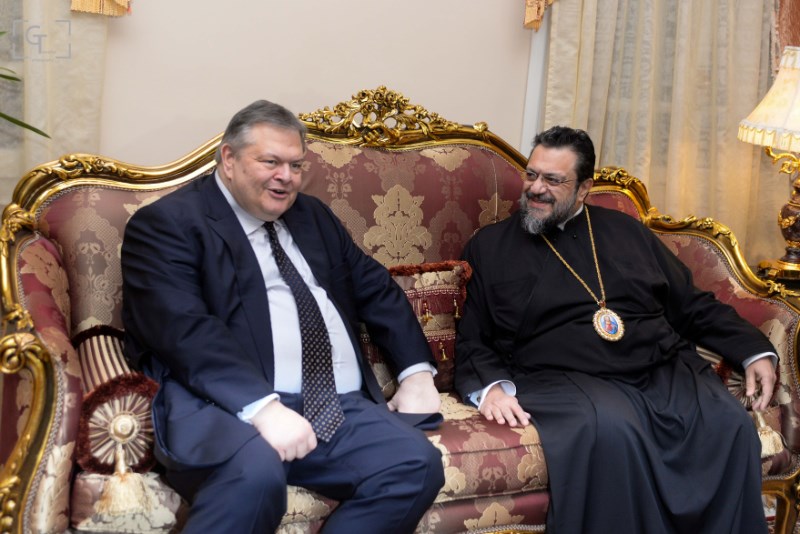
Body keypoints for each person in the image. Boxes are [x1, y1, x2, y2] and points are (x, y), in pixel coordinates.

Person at [121, 100, 445, 533]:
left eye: (296, 165)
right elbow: (182, 329)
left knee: (415, 463)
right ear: (229, 159)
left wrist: (416, 373)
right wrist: (263, 409)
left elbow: (374, 287)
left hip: (333, 405)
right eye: (270, 162)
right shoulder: (167, 224)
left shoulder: (312, 215)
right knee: (254, 475)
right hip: (224, 405)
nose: (286, 177)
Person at [454, 125, 777, 533]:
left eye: (553, 180)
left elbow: (690, 304)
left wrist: (753, 349)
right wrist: (491, 388)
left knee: (728, 423)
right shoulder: (491, 246)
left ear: (584, 188)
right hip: (564, 379)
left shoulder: (626, 231)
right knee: (611, 431)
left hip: (659, 367)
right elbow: (473, 336)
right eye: (531, 175)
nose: (536, 189)